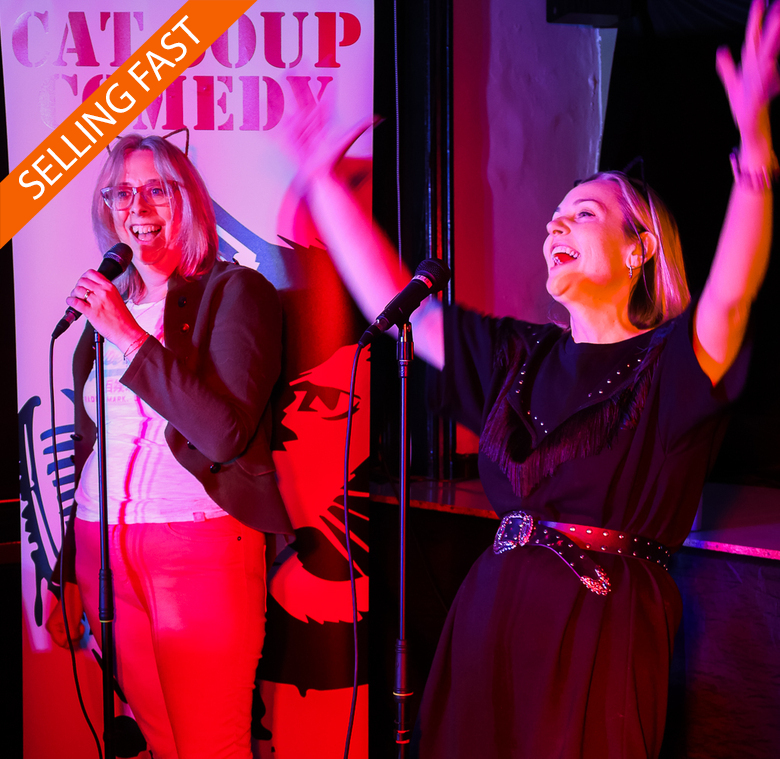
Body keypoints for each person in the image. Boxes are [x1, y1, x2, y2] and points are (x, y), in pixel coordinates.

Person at [286, 0, 780, 756]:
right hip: (491, 616)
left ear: (641, 247)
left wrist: (755, 149)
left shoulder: (672, 365)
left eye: (582, 213)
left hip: (600, 632)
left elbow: (733, 294)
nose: (554, 225)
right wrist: (321, 183)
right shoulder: (519, 357)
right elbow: (402, 308)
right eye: (553, 217)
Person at [45, 133, 292, 759]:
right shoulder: (110, 308)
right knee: (160, 741)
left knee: (211, 746)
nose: (138, 207)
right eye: (122, 193)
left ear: (189, 201)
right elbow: (92, 447)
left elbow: (225, 433)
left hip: (196, 545)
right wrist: (66, 565)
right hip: (103, 546)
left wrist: (130, 337)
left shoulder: (235, 292)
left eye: (157, 189)